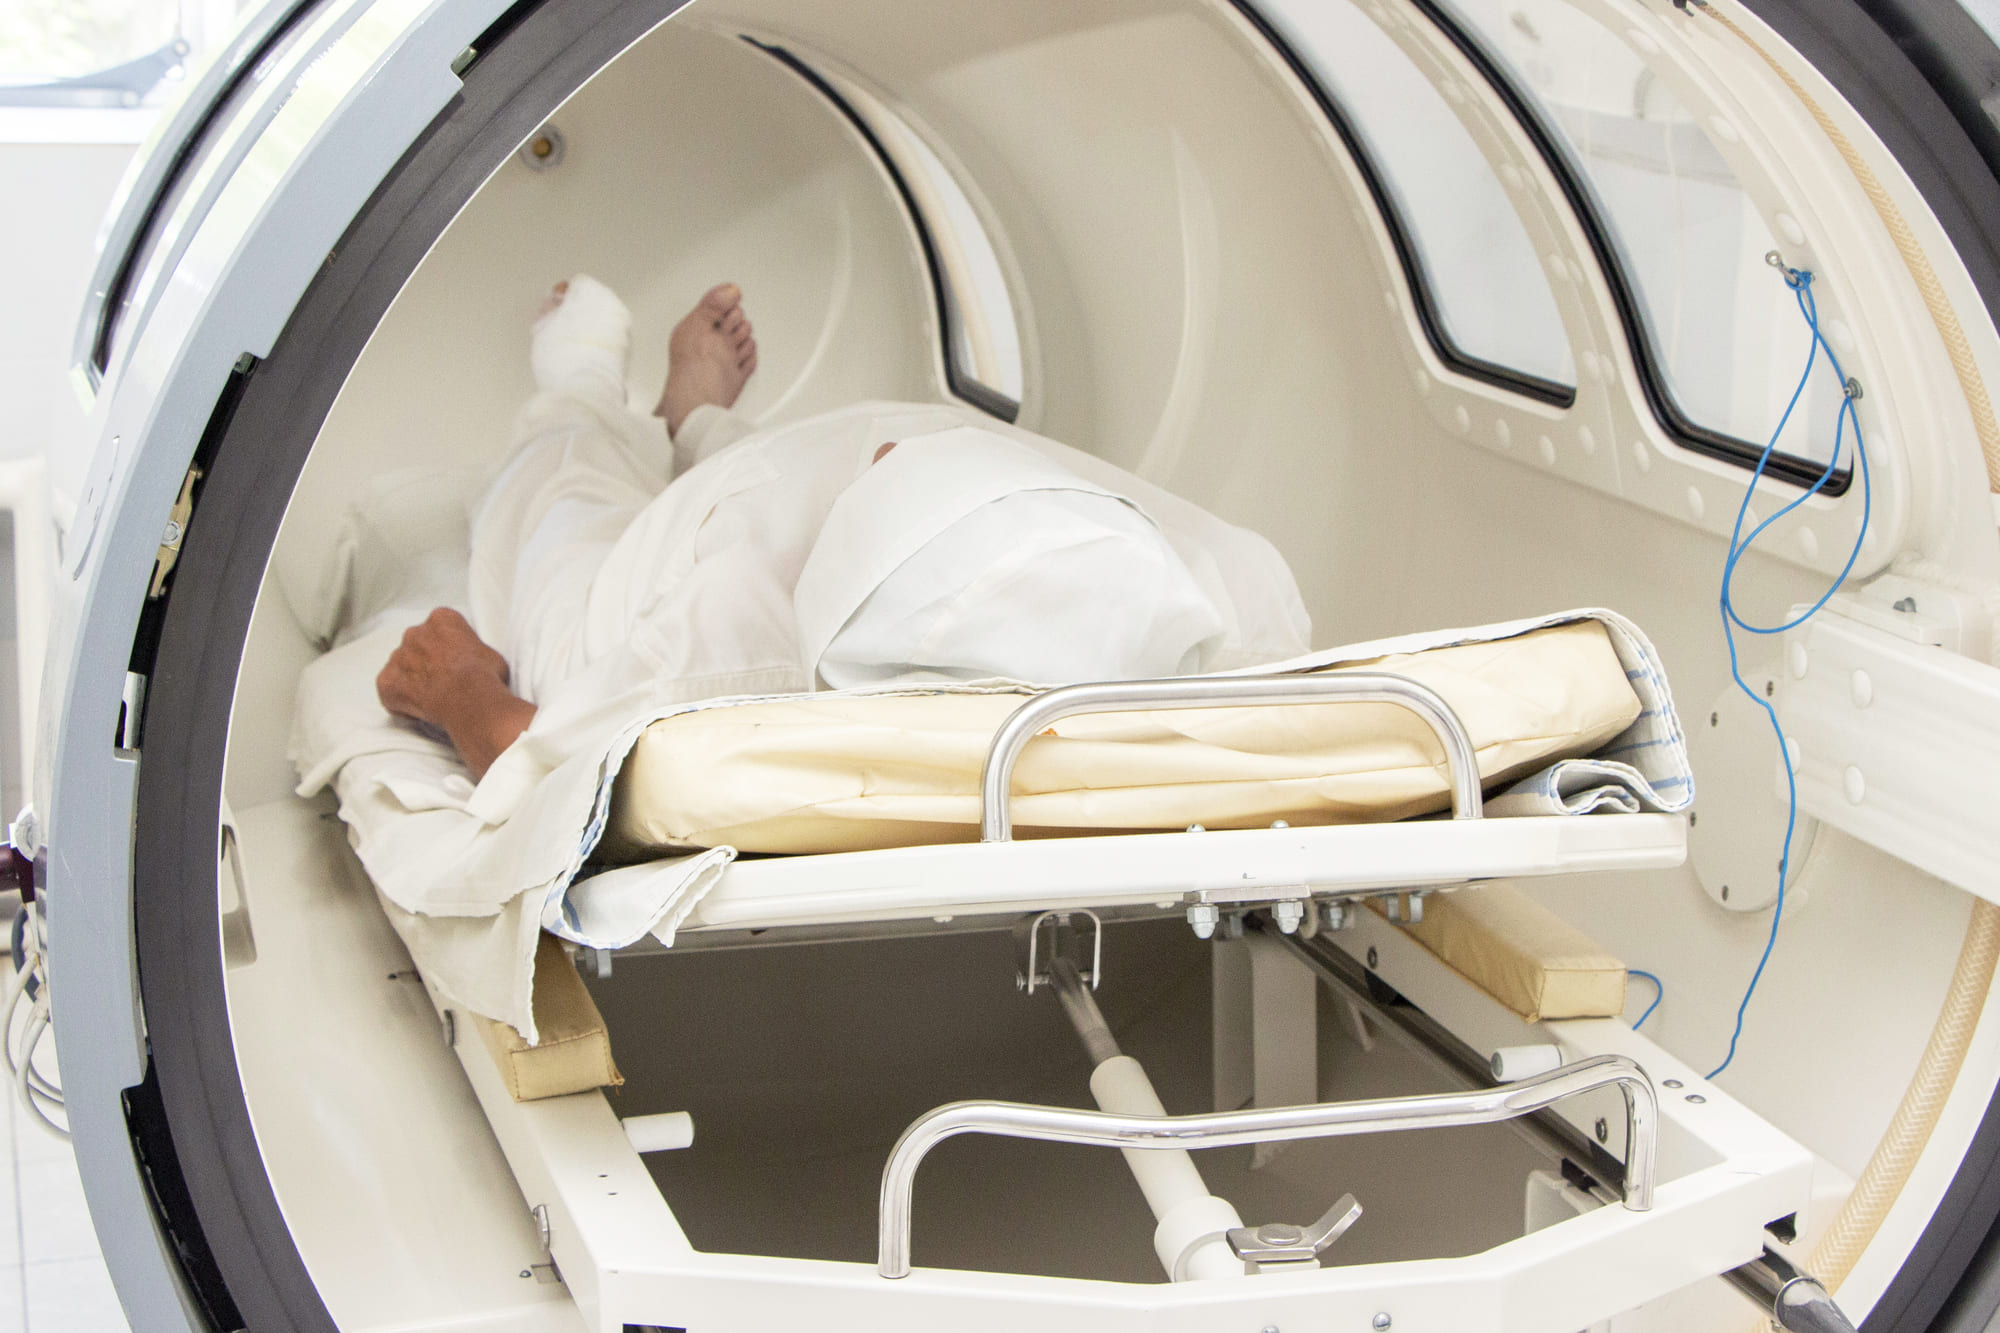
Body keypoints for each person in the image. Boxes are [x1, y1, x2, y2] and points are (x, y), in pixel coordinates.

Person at [376, 276, 1311, 780]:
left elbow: (516, 747)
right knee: (811, 460)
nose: (880, 464)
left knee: (560, 495)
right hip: (868, 483)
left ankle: (580, 390)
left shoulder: (744, 633)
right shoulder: (1233, 591)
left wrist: (459, 684)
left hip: (673, 568)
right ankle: (695, 422)